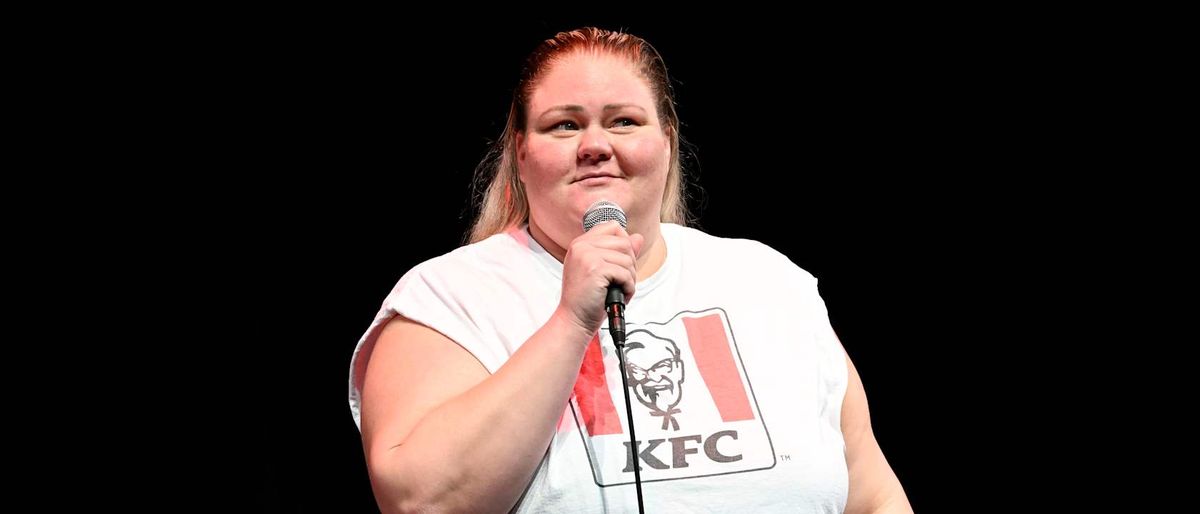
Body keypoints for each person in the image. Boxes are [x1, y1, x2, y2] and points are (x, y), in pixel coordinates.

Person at [348, 27, 912, 513]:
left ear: (667, 140)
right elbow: (421, 500)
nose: (595, 144)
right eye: (564, 125)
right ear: (520, 152)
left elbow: (873, 495)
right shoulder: (451, 296)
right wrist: (571, 321)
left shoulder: (770, 282)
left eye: (623, 121)